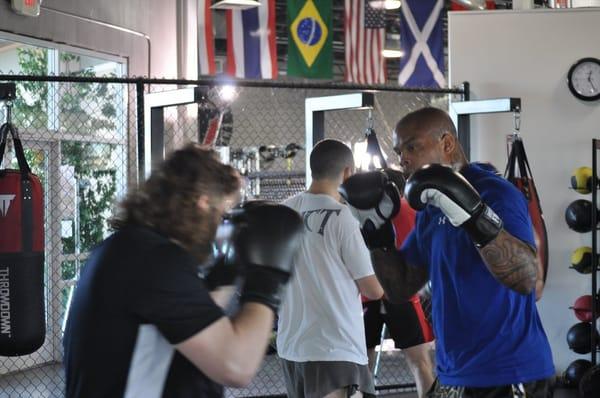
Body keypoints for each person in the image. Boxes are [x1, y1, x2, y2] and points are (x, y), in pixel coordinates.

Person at [342, 107, 555, 397]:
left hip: (509, 372)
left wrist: (474, 216)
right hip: (454, 371)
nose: (402, 159)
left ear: (447, 144)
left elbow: (526, 279)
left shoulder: (496, 193)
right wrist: (377, 236)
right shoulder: (431, 207)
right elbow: (401, 287)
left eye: (412, 146)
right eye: (398, 150)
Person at [63, 143, 304, 398]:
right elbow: (236, 366)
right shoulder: (155, 260)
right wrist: (267, 276)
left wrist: (228, 271)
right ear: (203, 203)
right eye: (222, 215)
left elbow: (192, 318)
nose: (222, 227)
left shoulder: (125, 248)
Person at [276, 139, 385, 398]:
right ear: (348, 172)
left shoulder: (282, 211)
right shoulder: (344, 217)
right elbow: (373, 288)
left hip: (292, 346)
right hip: (335, 348)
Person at [362, 198, 435, 398]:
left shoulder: (361, 208)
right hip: (399, 292)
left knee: (361, 364)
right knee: (420, 363)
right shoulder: (411, 209)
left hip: (369, 291)